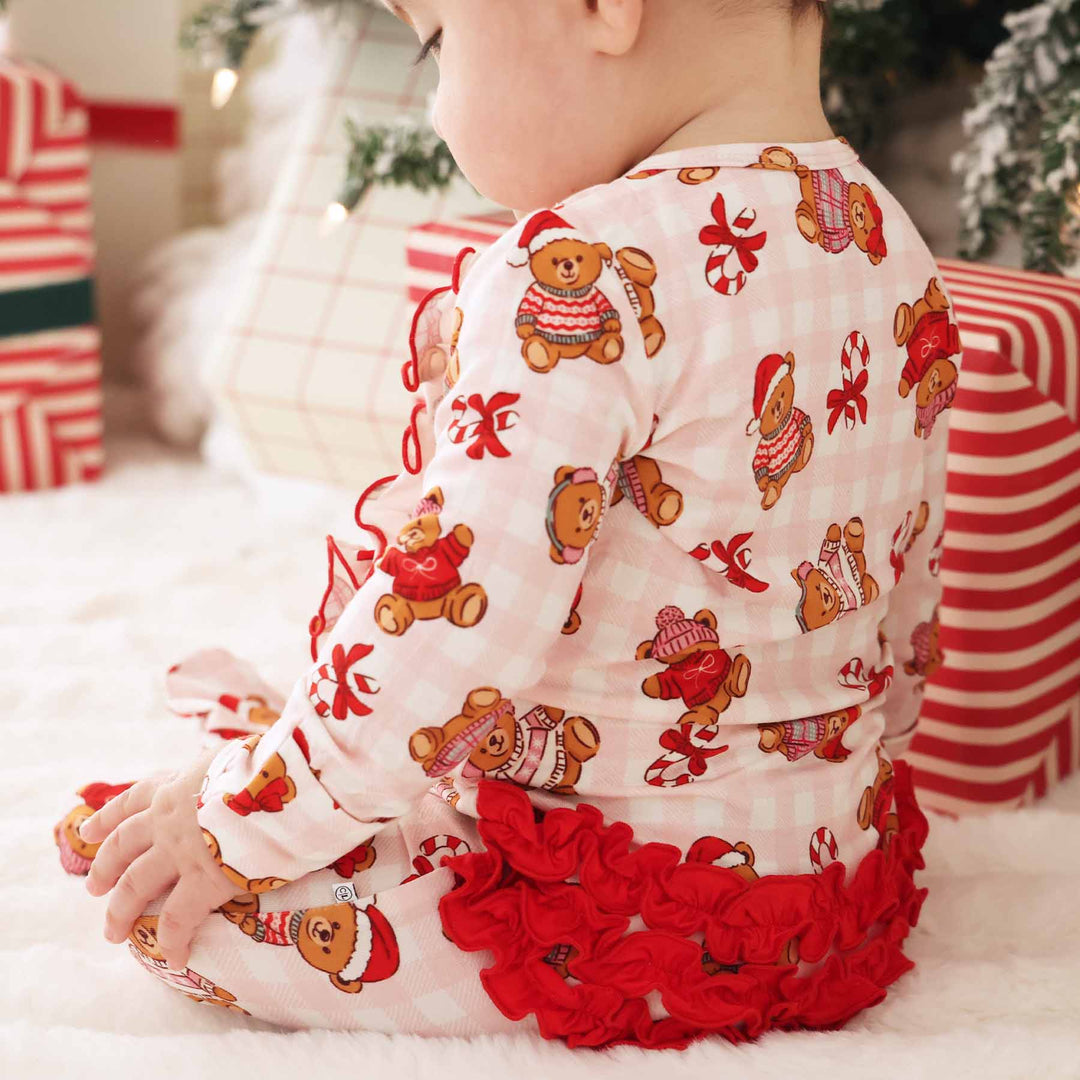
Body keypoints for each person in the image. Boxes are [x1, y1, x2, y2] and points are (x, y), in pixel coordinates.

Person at [58, 0, 957, 1050]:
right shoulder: (890, 245)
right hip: (830, 902)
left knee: (166, 907)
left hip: (602, 914)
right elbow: (906, 594)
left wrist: (236, 825)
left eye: (438, 42)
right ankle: (328, 762)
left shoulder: (583, 265)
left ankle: (306, 775)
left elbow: (449, 623)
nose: (438, 108)